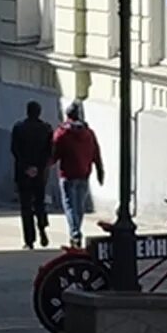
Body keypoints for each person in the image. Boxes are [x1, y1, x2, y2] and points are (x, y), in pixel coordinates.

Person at [51, 102, 104, 248]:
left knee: (70, 206)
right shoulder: (89, 133)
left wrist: (45, 165)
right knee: (79, 207)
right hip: (84, 173)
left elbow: (54, 153)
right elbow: (96, 152)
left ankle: (75, 234)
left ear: (67, 115)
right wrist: (100, 170)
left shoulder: (62, 133)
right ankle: (76, 231)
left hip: (67, 175)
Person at [9, 101, 54, 249]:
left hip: (23, 173)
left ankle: (29, 240)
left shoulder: (19, 128)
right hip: (40, 173)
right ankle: (42, 228)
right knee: (40, 203)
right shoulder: (46, 129)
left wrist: (27, 167)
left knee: (26, 207)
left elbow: (15, 150)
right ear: (39, 112)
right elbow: (49, 152)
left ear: (27, 112)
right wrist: (38, 167)